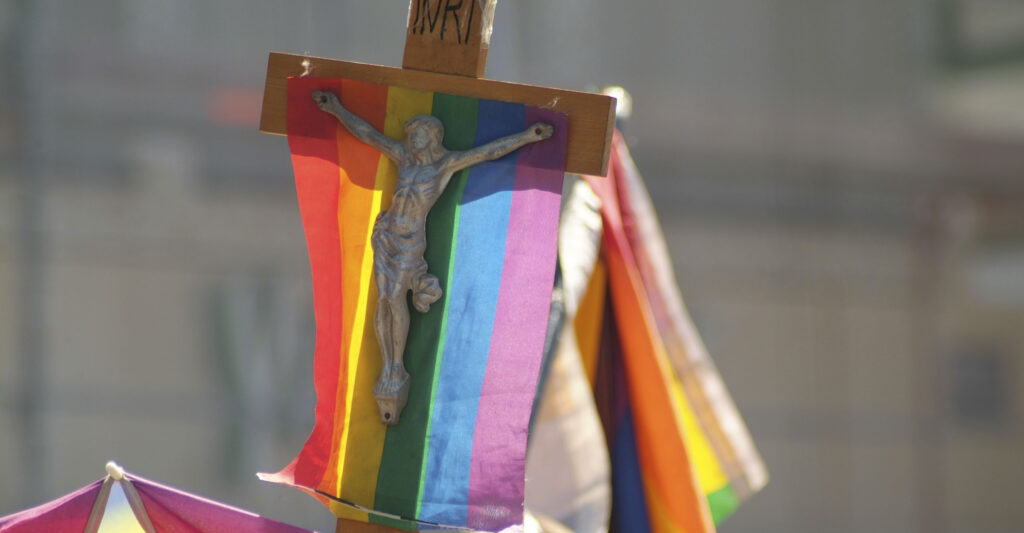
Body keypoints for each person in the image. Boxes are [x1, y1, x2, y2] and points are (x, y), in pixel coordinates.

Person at [313, 90, 554, 424]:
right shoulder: (403, 157)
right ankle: (388, 367)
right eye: (411, 135)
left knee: (395, 297)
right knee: (382, 298)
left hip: (411, 241)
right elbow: (368, 133)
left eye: (418, 134)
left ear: (433, 137)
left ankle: (395, 368)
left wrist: (528, 136)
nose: (411, 139)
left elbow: (487, 152)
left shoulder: (444, 165)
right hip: (387, 235)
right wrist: (337, 109)